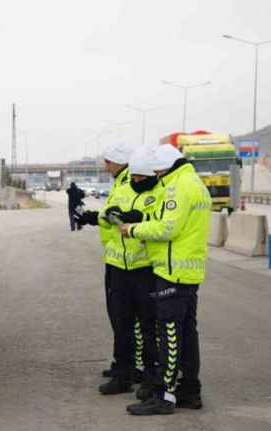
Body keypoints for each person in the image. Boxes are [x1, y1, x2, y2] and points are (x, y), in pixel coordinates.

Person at [120, 144, 211, 415]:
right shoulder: (195, 182)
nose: (156, 176)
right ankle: (189, 389)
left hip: (172, 270)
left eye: (158, 170)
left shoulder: (178, 186)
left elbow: (168, 227)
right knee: (187, 332)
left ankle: (164, 395)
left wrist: (133, 229)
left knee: (169, 333)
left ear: (167, 167)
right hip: (188, 269)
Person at [97, 147, 160, 400]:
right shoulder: (122, 190)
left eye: (140, 178)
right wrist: (107, 217)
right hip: (118, 269)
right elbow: (107, 215)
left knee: (148, 327)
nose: (135, 182)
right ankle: (122, 374)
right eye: (133, 177)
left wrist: (137, 219)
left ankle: (151, 376)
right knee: (121, 325)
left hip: (145, 270)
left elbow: (160, 223)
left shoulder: (159, 194)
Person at [74, 142, 135, 380]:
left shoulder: (130, 182)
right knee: (119, 317)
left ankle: (128, 368)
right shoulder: (121, 182)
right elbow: (112, 215)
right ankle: (125, 365)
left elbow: (121, 216)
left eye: (109, 162)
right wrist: (92, 217)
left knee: (125, 319)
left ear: (121, 162)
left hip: (129, 260)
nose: (106, 166)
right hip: (116, 257)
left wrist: (96, 218)